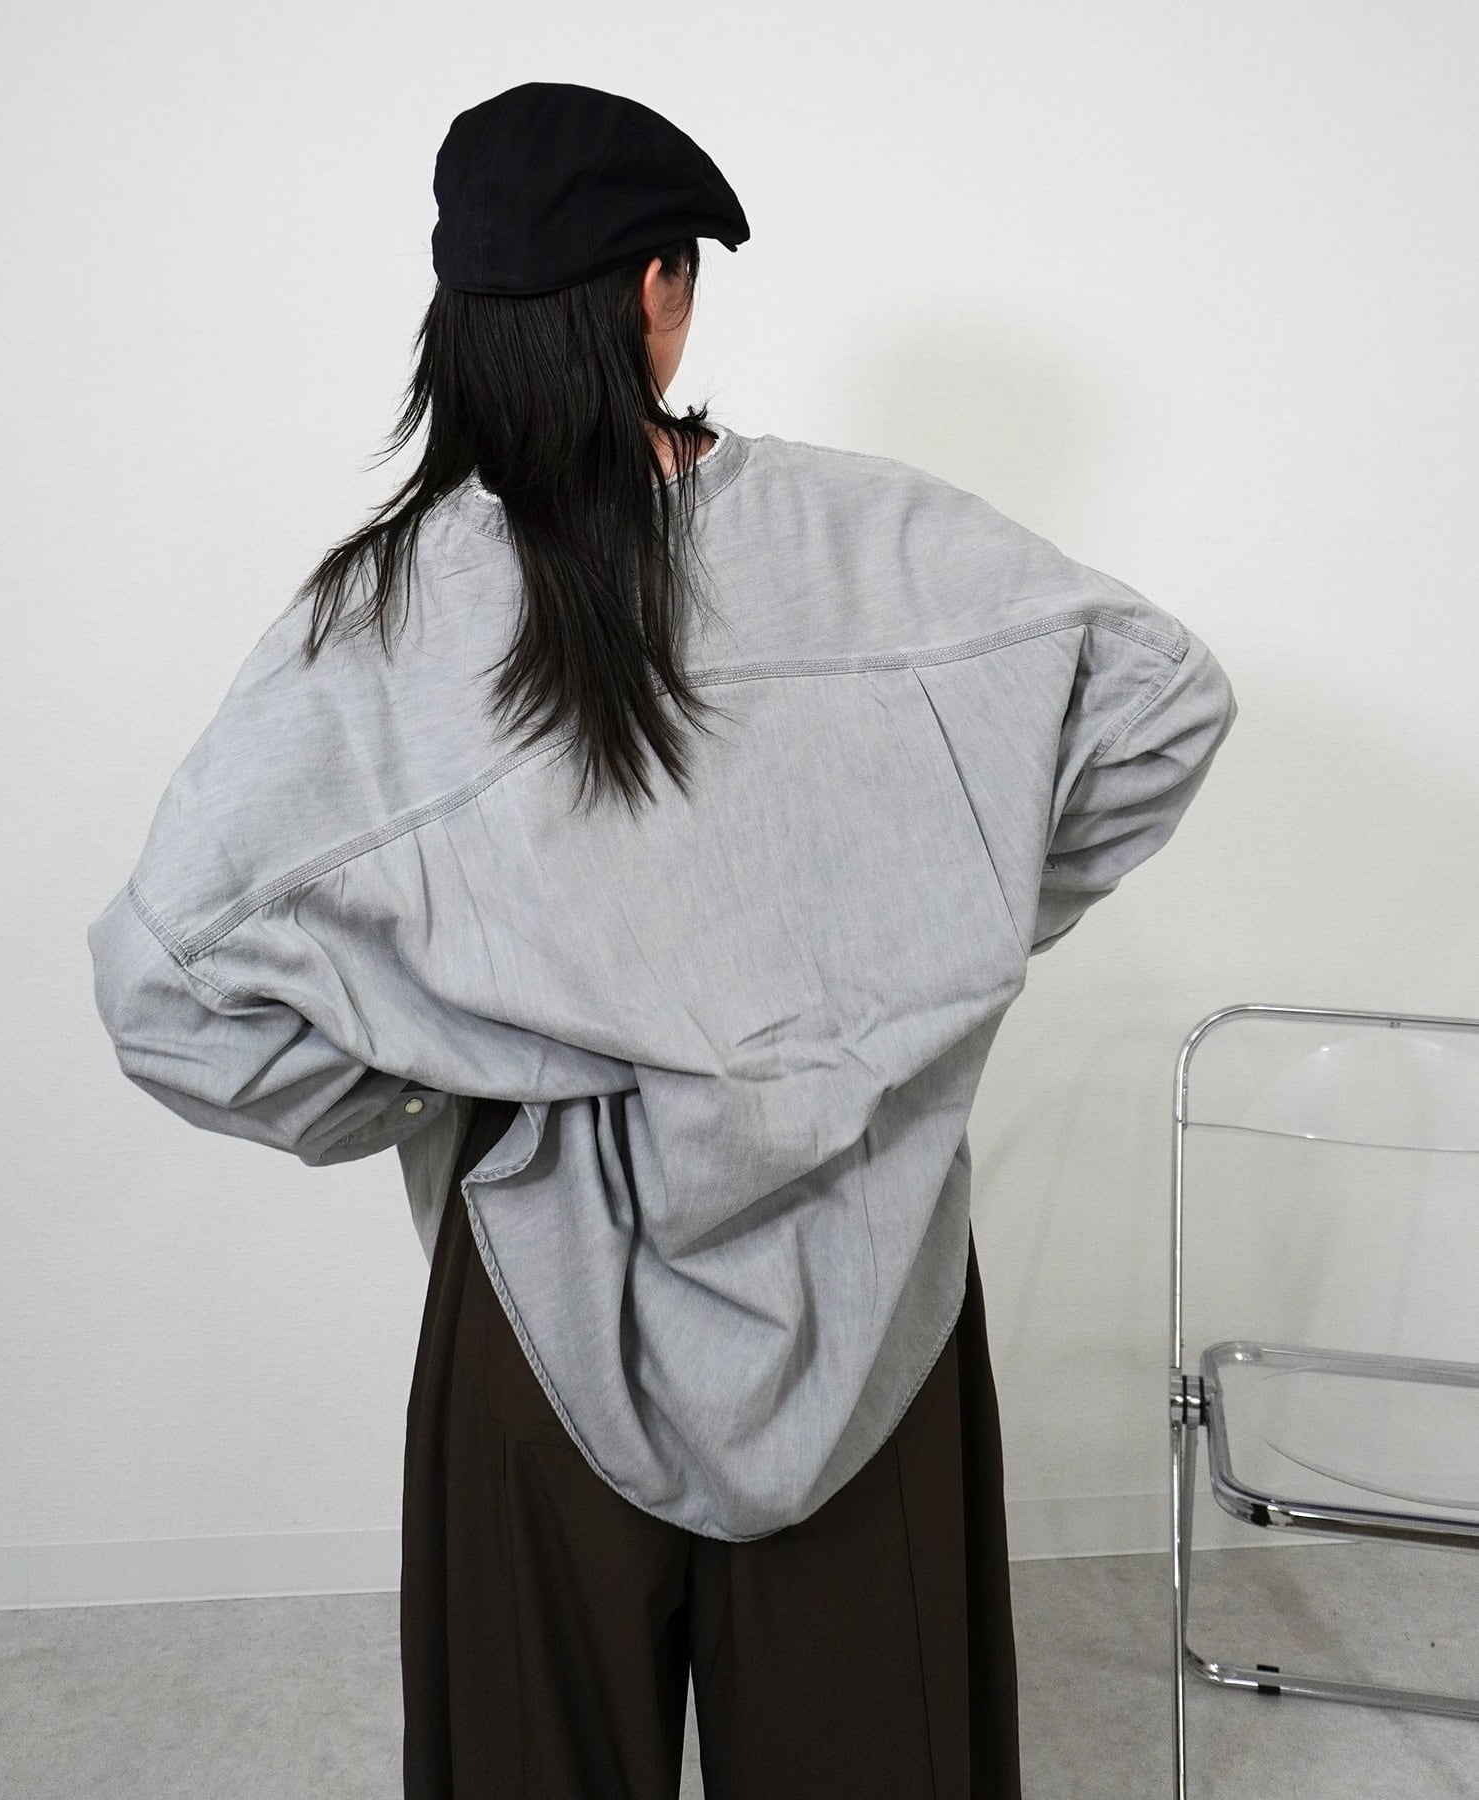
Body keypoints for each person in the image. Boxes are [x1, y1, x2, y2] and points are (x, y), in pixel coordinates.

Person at [86, 80, 1239, 1800]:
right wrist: (915, 964)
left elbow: (168, 993)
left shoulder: (384, 622)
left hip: (539, 1305)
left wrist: (472, 1064)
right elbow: (1166, 705)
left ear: (463, 318)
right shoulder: (885, 538)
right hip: (872, 1302)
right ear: (658, 290)